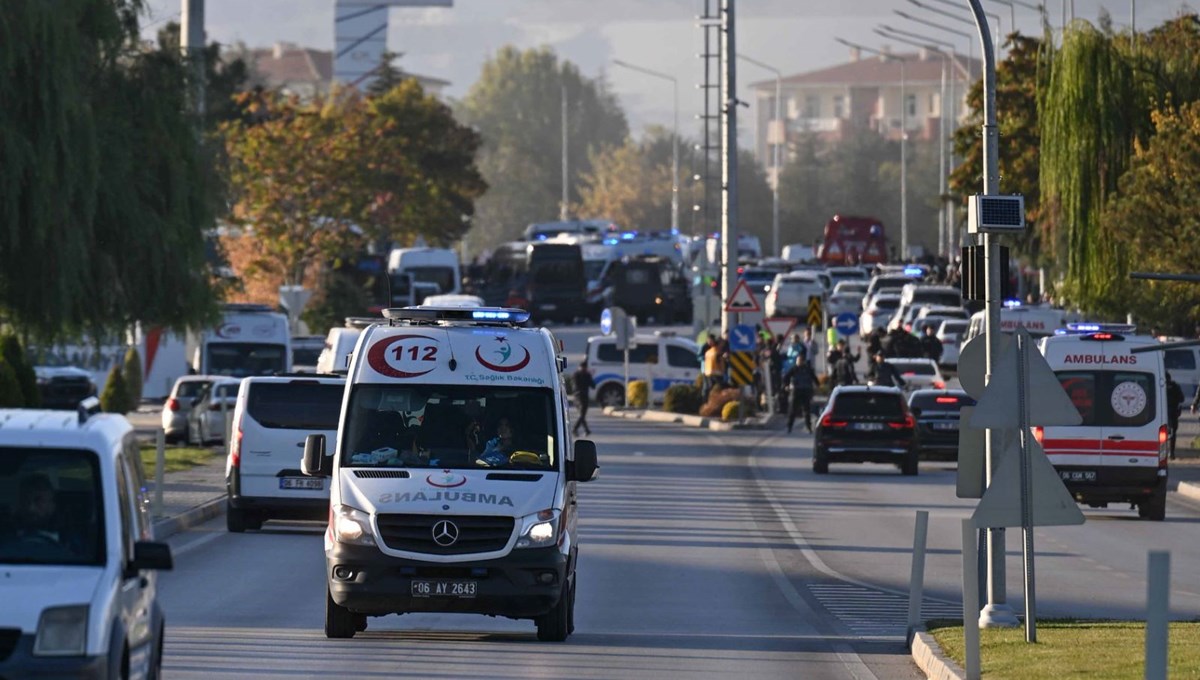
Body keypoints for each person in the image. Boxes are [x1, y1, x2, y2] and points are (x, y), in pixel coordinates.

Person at [784, 355, 817, 434]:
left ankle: (808, 427)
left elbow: (814, 378)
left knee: (806, 411)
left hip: (804, 391)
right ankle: (789, 426)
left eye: (800, 361)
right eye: (798, 361)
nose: (798, 362)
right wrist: (786, 385)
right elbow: (786, 377)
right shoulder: (794, 369)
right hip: (797, 391)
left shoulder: (807, 369)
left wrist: (817, 386)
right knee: (793, 410)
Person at [572, 360, 594, 437]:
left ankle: (586, 430)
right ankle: (575, 429)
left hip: (580, 397)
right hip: (580, 397)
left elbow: (593, 385)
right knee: (582, 415)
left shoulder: (584, 375)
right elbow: (592, 385)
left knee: (582, 415)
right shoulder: (579, 375)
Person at [1168, 372, 1184, 460]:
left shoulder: (1160, 386)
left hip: (1162, 414)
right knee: (1173, 433)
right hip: (1173, 413)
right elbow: (1182, 399)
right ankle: (1172, 453)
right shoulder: (1175, 387)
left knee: (1159, 434)